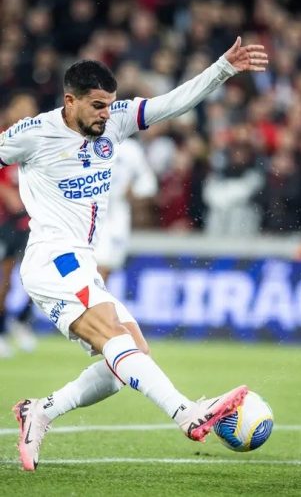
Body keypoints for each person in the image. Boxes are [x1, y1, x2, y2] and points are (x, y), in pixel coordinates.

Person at [3, 36, 268, 471]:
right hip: (52, 258)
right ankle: (186, 412)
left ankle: (42, 410)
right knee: (116, 340)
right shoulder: (34, 134)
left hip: (80, 262)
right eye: (96, 106)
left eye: (110, 104)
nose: (106, 115)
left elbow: (172, 104)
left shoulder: (115, 124)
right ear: (69, 101)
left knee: (127, 358)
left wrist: (224, 67)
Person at [0, 93, 39, 358]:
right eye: (21, 107)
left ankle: (22, 320)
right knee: (5, 280)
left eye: (30, 108)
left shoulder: (37, 140)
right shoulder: (3, 140)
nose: (26, 113)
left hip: (32, 221)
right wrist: (6, 192)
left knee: (37, 276)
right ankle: (2, 330)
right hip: (5, 221)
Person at [95, 136, 157, 282]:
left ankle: (94, 303)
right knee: (95, 266)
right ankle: (91, 303)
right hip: (90, 210)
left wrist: (134, 192)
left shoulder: (130, 148)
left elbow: (148, 183)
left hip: (118, 213)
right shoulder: (85, 141)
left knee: (107, 267)